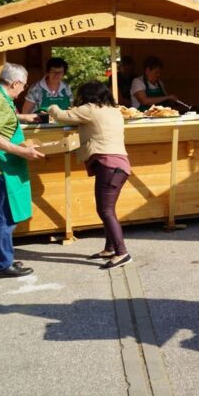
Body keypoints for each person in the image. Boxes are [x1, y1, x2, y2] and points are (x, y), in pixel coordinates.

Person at [48, 81, 132, 270]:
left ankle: (122, 253)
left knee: (105, 211)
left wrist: (51, 107)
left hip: (109, 166)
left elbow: (62, 116)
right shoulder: (114, 110)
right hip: (118, 165)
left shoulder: (90, 109)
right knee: (108, 209)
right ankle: (110, 248)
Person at [0, 63, 45, 277]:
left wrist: (25, 117)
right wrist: (23, 151)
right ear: (15, 83)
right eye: (23, 85)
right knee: (4, 218)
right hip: (0, 166)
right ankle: (2, 265)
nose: (23, 90)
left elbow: (2, 121)